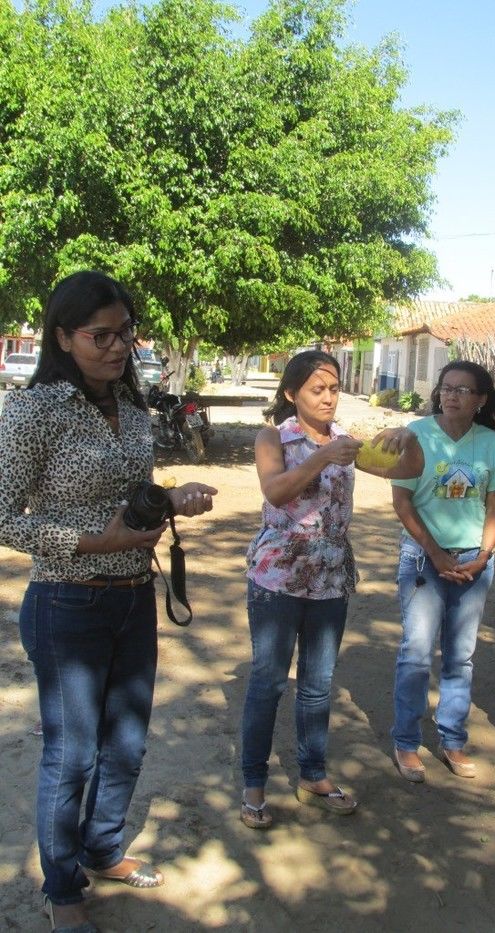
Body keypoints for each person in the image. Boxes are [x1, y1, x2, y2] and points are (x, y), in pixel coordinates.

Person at [0, 271, 217, 932]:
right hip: (68, 603)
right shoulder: (33, 410)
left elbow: (132, 489)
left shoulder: (132, 403)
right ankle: (62, 886)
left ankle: (103, 849)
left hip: (133, 597)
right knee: (74, 755)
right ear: (63, 337)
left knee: (125, 743)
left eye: (125, 331)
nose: (119, 345)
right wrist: (96, 540)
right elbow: (4, 517)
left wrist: (168, 499)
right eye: (102, 335)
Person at [240, 350, 419, 828]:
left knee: (318, 686)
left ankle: (313, 776)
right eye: (316, 390)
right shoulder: (273, 437)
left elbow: (405, 471)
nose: (327, 398)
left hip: (330, 577)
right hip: (278, 576)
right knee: (269, 682)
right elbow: (275, 491)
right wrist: (320, 456)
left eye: (333, 389)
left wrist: (409, 441)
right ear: (290, 394)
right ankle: (253, 785)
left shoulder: (348, 442)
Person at [389, 361, 495, 783]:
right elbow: (402, 503)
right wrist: (436, 553)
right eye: (446, 387)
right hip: (424, 559)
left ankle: (452, 740)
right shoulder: (416, 434)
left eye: (463, 390)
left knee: (461, 656)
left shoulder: (492, 444)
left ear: (480, 400)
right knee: (417, 652)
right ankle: (405, 742)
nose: (451, 395)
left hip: (474, 559)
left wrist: (484, 555)